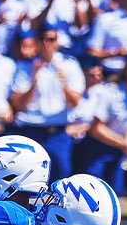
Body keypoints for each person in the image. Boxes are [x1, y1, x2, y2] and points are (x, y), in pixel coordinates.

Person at [10, 27, 85, 182]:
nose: (47, 43)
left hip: (56, 132)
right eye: (43, 39)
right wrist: (33, 82)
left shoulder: (70, 65)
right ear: (37, 42)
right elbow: (18, 105)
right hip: (30, 130)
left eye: (51, 39)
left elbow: (75, 102)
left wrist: (64, 84)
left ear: (57, 42)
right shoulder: (25, 66)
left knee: (61, 176)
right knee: (26, 178)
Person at [82, 55, 127, 194]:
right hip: (97, 151)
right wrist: (123, 142)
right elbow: (96, 129)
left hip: (118, 154)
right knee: (94, 193)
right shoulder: (110, 92)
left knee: (115, 194)